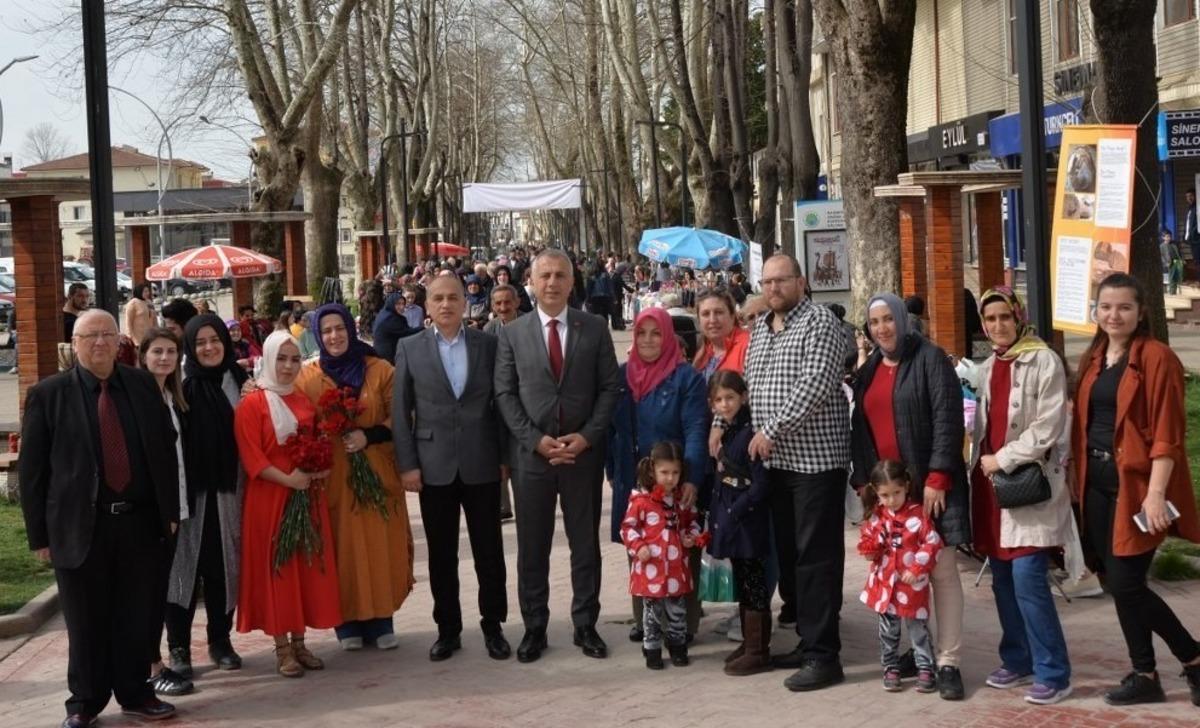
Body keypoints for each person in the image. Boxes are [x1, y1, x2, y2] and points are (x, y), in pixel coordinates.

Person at [20, 309, 180, 726]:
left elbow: (164, 449)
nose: (100, 343)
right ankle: (84, 703)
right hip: (78, 528)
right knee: (85, 622)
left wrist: (170, 512)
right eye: (89, 336)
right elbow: (32, 472)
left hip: (140, 524)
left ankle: (136, 694)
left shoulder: (141, 385)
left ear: (118, 341)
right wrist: (40, 536)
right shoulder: (49, 395)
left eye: (107, 334)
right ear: (74, 344)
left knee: (137, 615)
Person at [1071, 273, 1200, 706]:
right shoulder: (1095, 357)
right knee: (1115, 580)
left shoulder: (1157, 358)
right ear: (1096, 311)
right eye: (1106, 307)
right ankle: (1144, 674)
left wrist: (1156, 493)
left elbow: (1168, 433)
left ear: (1141, 312)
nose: (1114, 315)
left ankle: (1193, 657)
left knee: (1128, 584)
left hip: (1137, 488)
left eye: (1124, 307)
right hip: (1096, 485)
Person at [493, 248, 621, 663]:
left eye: (560, 275)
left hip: (582, 457)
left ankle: (585, 624)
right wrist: (535, 440)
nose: (552, 282)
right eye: (544, 275)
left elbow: (609, 388)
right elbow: (505, 394)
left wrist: (586, 437)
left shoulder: (594, 327)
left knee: (585, 544)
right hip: (532, 459)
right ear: (530, 281)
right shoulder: (512, 333)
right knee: (533, 548)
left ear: (571, 282)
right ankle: (535, 627)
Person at [850, 292, 968, 700]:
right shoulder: (869, 369)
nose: (882, 328)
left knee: (940, 574)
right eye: (874, 322)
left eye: (889, 319)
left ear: (902, 319)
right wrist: (866, 485)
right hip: (888, 496)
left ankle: (948, 661)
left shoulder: (930, 359)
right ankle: (921, 654)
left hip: (930, 490)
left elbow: (948, 419)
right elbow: (860, 430)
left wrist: (938, 476)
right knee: (901, 575)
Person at [741, 255, 850, 693]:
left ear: (801, 282)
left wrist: (771, 429)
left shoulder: (819, 322)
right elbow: (751, 386)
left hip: (815, 464)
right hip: (776, 466)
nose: (773, 288)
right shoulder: (761, 329)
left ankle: (825, 655)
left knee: (816, 559)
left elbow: (816, 383)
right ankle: (808, 641)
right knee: (790, 558)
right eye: (767, 281)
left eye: (781, 280)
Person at [393, 275, 511, 661]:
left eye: (453, 298)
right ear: (426, 305)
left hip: (482, 462)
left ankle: (493, 626)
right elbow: (400, 411)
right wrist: (408, 465)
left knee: (489, 551)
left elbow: (502, 404)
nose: (446, 304)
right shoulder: (409, 347)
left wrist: (505, 457)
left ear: (465, 303)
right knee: (442, 555)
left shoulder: (487, 344)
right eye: (438, 298)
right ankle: (448, 629)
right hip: (433, 467)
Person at [971, 286, 1079, 706]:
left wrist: (1002, 459)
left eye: (1005, 316)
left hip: (1026, 487)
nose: (998, 325)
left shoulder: (1043, 360)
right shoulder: (989, 365)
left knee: (1028, 580)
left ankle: (1054, 672)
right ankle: (1018, 658)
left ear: (1018, 317)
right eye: (990, 319)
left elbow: (1048, 427)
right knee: (1002, 582)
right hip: (993, 490)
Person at [295, 304, 415, 652]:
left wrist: (369, 435)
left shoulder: (380, 370)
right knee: (341, 549)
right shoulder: (308, 377)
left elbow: (402, 416)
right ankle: (346, 622)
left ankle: (382, 618)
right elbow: (292, 414)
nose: (334, 336)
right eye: (326, 330)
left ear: (351, 328)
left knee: (380, 545)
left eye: (340, 328)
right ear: (318, 336)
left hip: (377, 473)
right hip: (332, 480)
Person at [235, 331, 342, 677]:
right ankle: (282, 649)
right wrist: (289, 479)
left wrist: (319, 467)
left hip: (305, 495)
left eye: (295, 359)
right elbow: (252, 457)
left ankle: (300, 642)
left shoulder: (303, 400)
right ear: (267, 359)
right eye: (281, 359)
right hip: (270, 500)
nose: (288, 366)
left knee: (304, 567)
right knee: (278, 570)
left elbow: (317, 441)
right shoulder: (251, 404)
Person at [606, 307, 708, 644]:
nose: (648, 340)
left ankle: (682, 623)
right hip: (633, 478)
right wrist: (612, 469)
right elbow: (611, 428)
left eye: (656, 333)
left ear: (668, 338)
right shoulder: (623, 376)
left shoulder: (685, 378)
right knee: (640, 545)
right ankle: (646, 619)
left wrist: (691, 477)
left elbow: (696, 428)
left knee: (679, 548)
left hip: (673, 479)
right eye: (641, 333)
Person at [165, 314, 248, 681]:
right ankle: (178, 647)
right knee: (183, 571)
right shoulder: (179, 384)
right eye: (200, 343)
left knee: (223, 568)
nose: (209, 348)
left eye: (215, 340)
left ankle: (220, 640)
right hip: (189, 496)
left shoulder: (239, 380)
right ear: (190, 347)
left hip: (229, 493)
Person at [139, 329, 194, 697]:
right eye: (157, 351)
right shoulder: (140, 397)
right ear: (143, 355)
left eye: (171, 351)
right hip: (152, 513)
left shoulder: (173, 397)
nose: (164, 358)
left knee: (159, 589)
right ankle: (151, 667)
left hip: (176, 506)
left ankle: (152, 662)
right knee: (147, 593)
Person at [706, 370, 772, 676]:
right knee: (744, 581)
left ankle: (758, 651)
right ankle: (749, 643)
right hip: (733, 521)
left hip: (747, 522)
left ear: (743, 397)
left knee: (754, 583)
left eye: (730, 397)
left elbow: (760, 484)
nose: (725, 404)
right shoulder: (729, 431)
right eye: (718, 399)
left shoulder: (749, 432)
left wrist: (735, 511)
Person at [857, 459, 943, 694]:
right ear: (876, 492)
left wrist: (916, 568)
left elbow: (932, 543)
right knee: (888, 631)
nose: (892, 499)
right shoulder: (876, 516)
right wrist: (871, 549)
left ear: (906, 486)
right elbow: (868, 542)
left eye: (896, 493)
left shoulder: (918, 514)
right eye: (885, 495)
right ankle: (890, 668)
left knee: (918, 629)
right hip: (885, 586)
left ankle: (925, 667)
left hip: (911, 587)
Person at [620, 441, 704, 670]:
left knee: (677, 611)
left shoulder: (681, 500)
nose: (670, 478)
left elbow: (692, 523)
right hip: (651, 568)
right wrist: (639, 547)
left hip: (676, 567)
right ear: (652, 471)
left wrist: (691, 537)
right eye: (664, 472)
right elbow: (627, 528)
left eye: (675, 473)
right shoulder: (641, 501)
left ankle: (677, 646)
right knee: (652, 613)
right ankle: (652, 648)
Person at [693, 289, 751, 378]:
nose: (712, 320)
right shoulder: (702, 352)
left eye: (719, 312)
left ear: (732, 316)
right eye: (706, 314)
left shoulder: (749, 345)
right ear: (699, 320)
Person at [372, 291, 418, 365]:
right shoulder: (390, 319)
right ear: (392, 304)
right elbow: (407, 333)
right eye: (398, 304)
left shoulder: (385, 313)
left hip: (384, 354)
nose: (402, 307)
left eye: (403, 304)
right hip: (387, 357)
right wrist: (425, 328)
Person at [124, 282, 155, 346]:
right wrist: (132, 339)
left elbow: (154, 319)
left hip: (149, 337)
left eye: (148, 291)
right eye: (145, 291)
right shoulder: (133, 303)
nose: (148, 293)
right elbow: (128, 322)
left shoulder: (149, 302)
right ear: (139, 292)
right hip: (137, 339)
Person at [1161, 228, 1184, 295]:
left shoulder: (1174, 244)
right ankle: (1171, 292)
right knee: (1170, 278)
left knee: (1176, 277)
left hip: (1176, 262)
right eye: (1167, 237)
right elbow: (1161, 256)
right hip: (1168, 263)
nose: (1169, 238)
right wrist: (1166, 263)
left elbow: (1179, 253)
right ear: (1163, 237)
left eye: (1170, 236)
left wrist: (1182, 260)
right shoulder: (1162, 246)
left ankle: (1175, 291)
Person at [1184, 188, 1198, 275]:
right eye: (1187, 196)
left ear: (1196, 196)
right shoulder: (1190, 209)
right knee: (1196, 260)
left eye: (1191, 196)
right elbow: (1188, 224)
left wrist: (1193, 234)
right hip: (1192, 240)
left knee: (1198, 261)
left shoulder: (1197, 208)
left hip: (1197, 239)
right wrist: (1185, 236)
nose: (1189, 198)